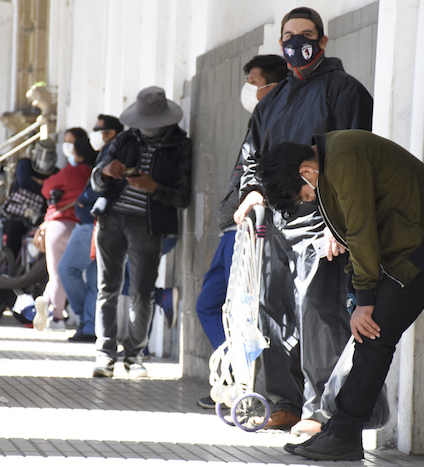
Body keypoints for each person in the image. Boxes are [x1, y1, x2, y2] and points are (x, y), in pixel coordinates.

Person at [257, 130, 424, 460]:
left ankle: (343, 433)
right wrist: (357, 294)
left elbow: (361, 230)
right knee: (371, 335)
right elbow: (354, 236)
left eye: (301, 196)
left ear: (305, 172)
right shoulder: (330, 162)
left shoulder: (343, 160)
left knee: (375, 335)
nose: (306, 200)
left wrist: (365, 301)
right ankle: (341, 430)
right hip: (409, 248)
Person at [233, 7, 374, 434]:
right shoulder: (271, 100)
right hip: (275, 220)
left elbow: (353, 160)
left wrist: (339, 223)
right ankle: (284, 402)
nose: (298, 43)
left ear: (324, 41)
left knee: (316, 309)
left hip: (321, 217)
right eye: (290, 36)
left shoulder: (344, 91)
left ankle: (321, 409)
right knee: (271, 307)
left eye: (307, 35)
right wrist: (252, 191)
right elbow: (251, 156)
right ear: (280, 44)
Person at [195, 54, 288, 409]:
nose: (247, 89)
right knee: (211, 304)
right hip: (233, 228)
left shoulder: (279, 121)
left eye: (254, 81)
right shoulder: (259, 120)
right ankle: (233, 375)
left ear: (273, 85)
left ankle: (242, 384)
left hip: (254, 229)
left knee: (246, 311)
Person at [90, 86, 192, 379]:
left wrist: (154, 188)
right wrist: (107, 171)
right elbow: (95, 180)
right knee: (107, 288)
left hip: (149, 225)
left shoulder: (180, 146)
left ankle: (134, 356)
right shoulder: (124, 138)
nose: (145, 128)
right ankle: (105, 354)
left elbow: (182, 197)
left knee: (142, 293)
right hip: (112, 218)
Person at [58, 115, 124, 343]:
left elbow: (103, 187)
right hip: (97, 222)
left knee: (67, 269)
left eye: (100, 130)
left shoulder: (113, 151)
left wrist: (86, 200)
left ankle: (87, 323)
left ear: (110, 133)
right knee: (97, 279)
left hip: (93, 222)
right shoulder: (108, 151)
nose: (96, 134)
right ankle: (89, 326)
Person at [32, 129, 96, 331]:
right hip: (84, 228)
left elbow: (45, 188)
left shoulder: (69, 172)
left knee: (58, 272)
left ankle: (56, 314)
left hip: (58, 225)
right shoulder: (93, 172)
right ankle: (57, 309)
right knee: (78, 272)